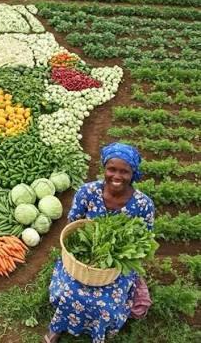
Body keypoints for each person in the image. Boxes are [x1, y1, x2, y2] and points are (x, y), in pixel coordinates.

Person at [45, 142, 155, 343]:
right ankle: (58, 325)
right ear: (104, 168)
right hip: (81, 260)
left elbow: (145, 241)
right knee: (71, 292)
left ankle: (99, 332)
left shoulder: (143, 204)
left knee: (106, 303)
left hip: (117, 265)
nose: (117, 176)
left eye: (124, 171)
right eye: (112, 169)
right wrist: (86, 248)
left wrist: (115, 257)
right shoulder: (88, 191)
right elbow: (73, 224)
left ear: (133, 173)